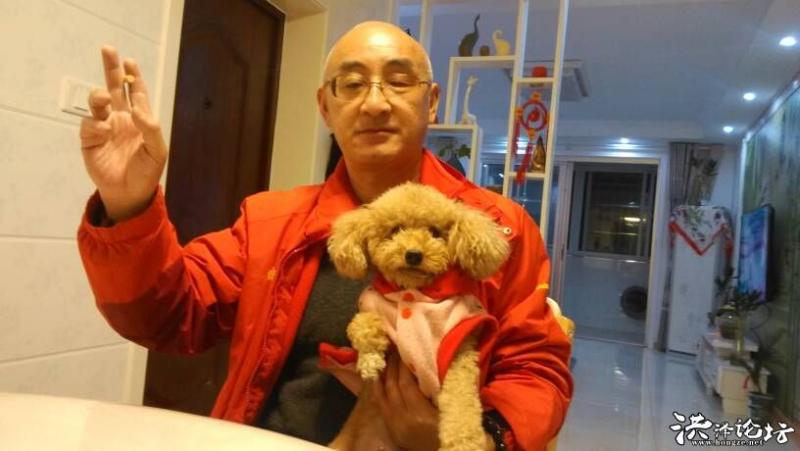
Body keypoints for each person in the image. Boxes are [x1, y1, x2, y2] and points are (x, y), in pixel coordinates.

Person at [77, 21, 573, 451]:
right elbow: (166, 317)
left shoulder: (498, 227)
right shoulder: (269, 221)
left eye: (399, 81)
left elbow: (536, 368)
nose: (375, 103)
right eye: (351, 84)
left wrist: (475, 440)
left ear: (432, 102)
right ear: (325, 107)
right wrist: (129, 204)